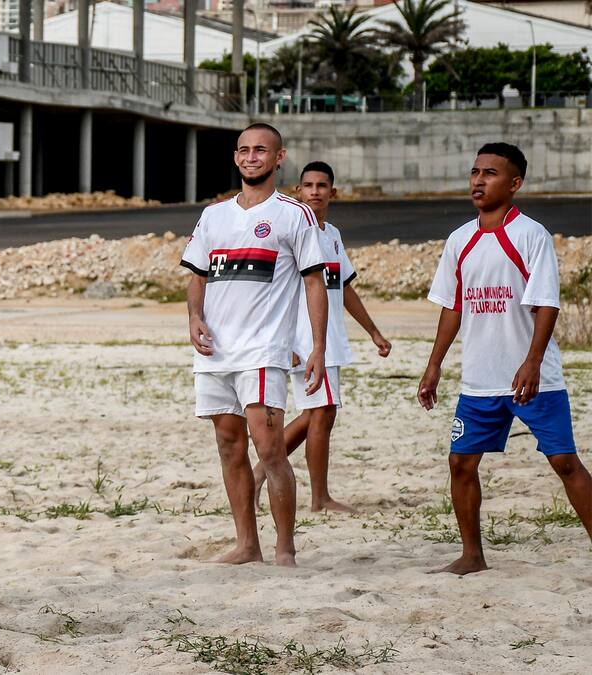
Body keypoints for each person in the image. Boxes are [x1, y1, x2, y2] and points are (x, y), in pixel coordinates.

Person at [417, 142, 592, 575]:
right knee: (460, 464)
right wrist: (434, 364)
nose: (478, 180)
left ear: (515, 184)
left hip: (533, 378)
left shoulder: (531, 235)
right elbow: (453, 306)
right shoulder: (460, 239)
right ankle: (472, 556)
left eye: (490, 173)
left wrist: (532, 361)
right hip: (479, 380)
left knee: (564, 462)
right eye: (475, 172)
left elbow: (546, 304)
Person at [181, 122, 329, 567]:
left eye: (260, 150)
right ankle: (248, 545)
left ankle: (285, 549)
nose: (251, 157)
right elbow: (197, 276)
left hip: (263, 351)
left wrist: (318, 346)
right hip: (215, 352)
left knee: (269, 449)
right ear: (235, 156)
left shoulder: (294, 214)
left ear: (278, 158)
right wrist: (194, 316)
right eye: (243, 150)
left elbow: (315, 283)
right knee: (229, 447)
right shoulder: (214, 215)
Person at [252, 161, 392, 513]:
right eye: (308, 185)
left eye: (322, 185)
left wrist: (373, 331)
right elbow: (270, 292)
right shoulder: (291, 230)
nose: (315, 191)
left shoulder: (332, 235)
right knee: (322, 412)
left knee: (317, 414)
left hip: (330, 339)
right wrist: (286, 341)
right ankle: (319, 498)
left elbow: (343, 287)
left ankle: (259, 475)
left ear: (333, 192)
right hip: (303, 342)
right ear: (297, 191)